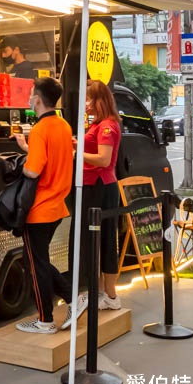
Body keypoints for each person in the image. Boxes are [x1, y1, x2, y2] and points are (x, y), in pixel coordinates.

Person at [12, 77, 74, 334]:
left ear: (37, 98)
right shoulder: (63, 125)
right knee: (36, 260)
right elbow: (52, 158)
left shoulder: (39, 130)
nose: (28, 97)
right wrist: (29, 148)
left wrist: (19, 164)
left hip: (39, 208)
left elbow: (33, 171)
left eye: (30, 94)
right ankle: (72, 299)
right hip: (57, 205)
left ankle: (46, 321)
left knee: (36, 264)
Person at [66, 79, 123, 326]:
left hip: (100, 187)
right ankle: (101, 294)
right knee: (95, 241)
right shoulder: (100, 124)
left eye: (89, 99)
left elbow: (103, 159)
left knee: (105, 239)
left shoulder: (107, 126)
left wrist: (78, 153)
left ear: (100, 100)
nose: (85, 104)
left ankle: (110, 295)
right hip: (93, 186)